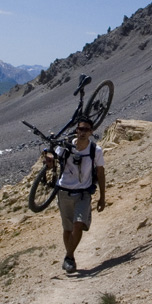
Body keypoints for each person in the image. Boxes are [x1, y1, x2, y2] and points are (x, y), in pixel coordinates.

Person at [54, 116, 106, 273]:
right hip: (64, 192)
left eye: (86, 129)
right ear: (76, 130)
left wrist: (102, 196)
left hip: (83, 193)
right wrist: (48, 160)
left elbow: (101, 172)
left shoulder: (95, 150)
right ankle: (70, 257)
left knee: (78, 223)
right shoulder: (66, 147)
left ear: (91, 132)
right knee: (67, 229)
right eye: (79, 129)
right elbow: (54, 159)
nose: (82, 132)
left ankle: (68, 257)